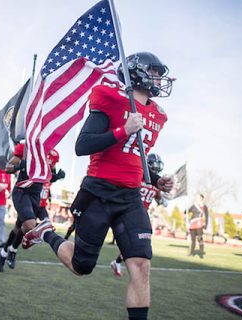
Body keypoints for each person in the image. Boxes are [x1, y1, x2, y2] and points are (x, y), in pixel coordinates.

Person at [22, 52, 175, 320]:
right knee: (82, 266)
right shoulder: (110, 97)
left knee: (141, 265)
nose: (158, 79)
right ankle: (46, 232)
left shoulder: (157, 114)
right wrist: (123, 130)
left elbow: (132, 155)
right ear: (135, 72)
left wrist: (155, 178)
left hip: (130, 197)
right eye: (154, 72)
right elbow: (83, 145)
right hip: (98, 193)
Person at [0, 148, 65, 272]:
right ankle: (13, 250)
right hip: (22, 191)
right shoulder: (27, 148)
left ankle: (5, 251)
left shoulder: (53, 154)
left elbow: (47, 176)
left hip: (36, 196)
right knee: (30, 224)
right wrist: (21, 165)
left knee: (19, 227)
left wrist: (56, 177)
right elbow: (8, 168)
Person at [110, 153, 168, 277]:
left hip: (141, 216)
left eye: (158, 165)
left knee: (137, 244)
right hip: (129, 212)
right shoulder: (137, 177)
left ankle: (117, 262)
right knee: (135, 244)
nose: (157, 168)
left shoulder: (156, 184)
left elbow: (160, 200)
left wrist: (164, 200)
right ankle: (117, 261)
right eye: (154, 165)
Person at [187, 193, 209, 258]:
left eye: (198, 197)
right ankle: (192, 253)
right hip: (192, 224)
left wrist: (205, 227)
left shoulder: (204, 206)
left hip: (199, 224)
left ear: (201, 198)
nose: (196, 198)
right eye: (196, 197)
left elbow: (207, 217)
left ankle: (201, 254)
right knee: (193, 240)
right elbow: (187, 211)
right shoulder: (194, 205)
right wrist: (186, 210)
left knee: (200, 239)